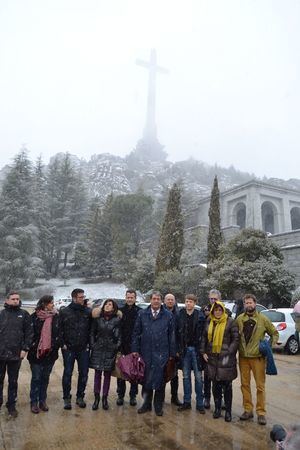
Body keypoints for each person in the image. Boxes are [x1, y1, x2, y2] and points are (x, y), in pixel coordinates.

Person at [236, 293, 279, 425]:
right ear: (244, 305)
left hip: (258, 358)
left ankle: (261, 412)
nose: (249, 305)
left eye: (251, 302)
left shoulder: (263, 319)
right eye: (246, 303)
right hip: (243, 357)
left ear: (255, 304)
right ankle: (248, 410)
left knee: (260, 386)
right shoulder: (239, 319)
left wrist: (268, 347)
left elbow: (274, 333)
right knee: (245, 385)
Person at [132, 291, 175, 416]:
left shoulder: (168, 315)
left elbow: (171, 335)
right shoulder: (142, 314)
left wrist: (172, 354)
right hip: (146, 352)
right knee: (146, 380)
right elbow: (136, 333)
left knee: (160, 381)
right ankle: (146, 404)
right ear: (150, 300)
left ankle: (158, 406)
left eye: (158, 299)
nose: (156, 301)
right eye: (154, 298)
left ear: (161, 301)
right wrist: (135, 349)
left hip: (162, 352)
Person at [201, 301, 239, 422]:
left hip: (226, 359)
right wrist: (203, 352)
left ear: (223, 310)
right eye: (215, 310)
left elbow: (236, 340)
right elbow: (204, 338)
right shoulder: (209, 321)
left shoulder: (230, 322)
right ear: (212, 311)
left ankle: (228, 411)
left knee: (227, 387)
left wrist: (229, 352)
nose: (217, 312)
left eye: (219, 310)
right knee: (215, 386)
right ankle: (217, 408)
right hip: (212, 358)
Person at [0, 291, 33, 417]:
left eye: (17, 299)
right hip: (1, 354)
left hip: (16, 354)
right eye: (13, 299)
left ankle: (11, 405)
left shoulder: (24, 314)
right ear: (7, 300)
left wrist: (25, 349)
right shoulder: (2, 314)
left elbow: (29, 333)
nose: (15, 301)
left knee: (13, 381)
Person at [59, 288, 91, 410]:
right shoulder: (65, 311)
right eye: (80, 297)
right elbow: (59, 329)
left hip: (83, 348)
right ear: (74, 298)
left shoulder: (88, 311)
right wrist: (62, 343)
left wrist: (89, 344)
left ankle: (80, 397)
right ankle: (66, 398)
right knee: (68, 373)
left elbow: (92, 329)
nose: (82, 299)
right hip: (69, 348)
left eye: (83, 296)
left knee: (83, 373)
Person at [28, 295, 60, 413]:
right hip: (36, 354)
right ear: (44, 304)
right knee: (36, 378)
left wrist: (55, 346)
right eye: (51, 303)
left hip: (50, 354)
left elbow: (59, 333)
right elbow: (29, 334)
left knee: (45, 378)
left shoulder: (56, 317)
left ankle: (42, 401)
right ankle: (34, 402)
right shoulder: (34, 317)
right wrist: (33, 346)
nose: (53, 304)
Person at [90, 299, 121, 410]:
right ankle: (96, 398)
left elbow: (119, 336)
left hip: (110, 350)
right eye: (107, 304)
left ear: (114, 308)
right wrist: (93, 344)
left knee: (107, 375)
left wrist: (115, 346)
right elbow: (92, 333)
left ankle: (104, 398)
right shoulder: (98, 319)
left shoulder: (117, 320)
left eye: (110, 305)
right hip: (98, 349)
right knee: (97, 375)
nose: (108, 306)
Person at [177, 294, 206, 413]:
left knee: (199, 378)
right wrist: (178, 349)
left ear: (195, 303)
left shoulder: (200, 316)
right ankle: (187, 402)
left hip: (196, 350)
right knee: (185, 377)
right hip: (184, 350)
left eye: (191, 302)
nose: (188, 303)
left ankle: (200, 403)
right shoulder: (180, 314)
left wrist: (202, 350)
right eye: (187, 301)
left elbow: (204, 335)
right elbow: (177, 333)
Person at [116, 289, 140, 407]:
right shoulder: (120, 311)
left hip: (134, 346)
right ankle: (120, 395)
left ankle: (133, 395)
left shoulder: (139, 312)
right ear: (125, 297)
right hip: (121, 345)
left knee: (134, 372)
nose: (130, 299)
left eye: (132, 297)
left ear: (135, 298)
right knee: (121, 372)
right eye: (128, 297)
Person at [163, 293, 182, 406]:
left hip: (175, 348)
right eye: (168, 300)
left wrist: (178, 349)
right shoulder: (161, 312)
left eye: (172, 300)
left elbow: (180, 333)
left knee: (174, 374)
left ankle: (174, 397)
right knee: (162, 373)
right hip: (162, 347)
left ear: (174, 301)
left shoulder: (179, 313)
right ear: (164, 301)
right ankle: (160, 397)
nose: (170, 301)